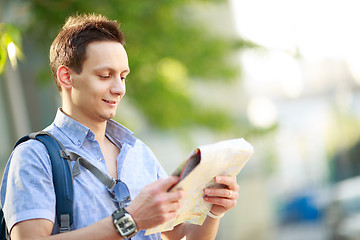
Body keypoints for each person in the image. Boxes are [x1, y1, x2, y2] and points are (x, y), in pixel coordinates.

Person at [0, 13, 240, 240]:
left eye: (123, 76)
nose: (119, 89)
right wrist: (130, 220)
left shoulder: (139, 152)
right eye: (105, 75)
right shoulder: (34, 156)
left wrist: (212, 211)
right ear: (66, 77)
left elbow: (177, 234)